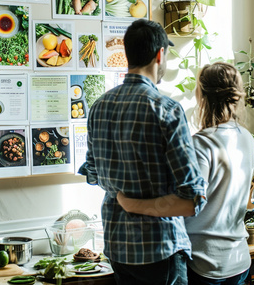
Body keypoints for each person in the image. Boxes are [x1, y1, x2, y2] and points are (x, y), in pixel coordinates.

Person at [78, 19, 206, 285]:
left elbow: (93, 174)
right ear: (160, 55)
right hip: (159, 249)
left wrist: (123, 194)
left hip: (117, 247)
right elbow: (191, 199)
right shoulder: (166, 110)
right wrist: (136, 202)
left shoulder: (99, 106)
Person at [117, 62, 254, 285]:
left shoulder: (202, 143)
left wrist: (131, 204)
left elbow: (188, 203)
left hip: (205, 262)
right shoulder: (246, 138)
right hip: (238, 261)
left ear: (201, 95)